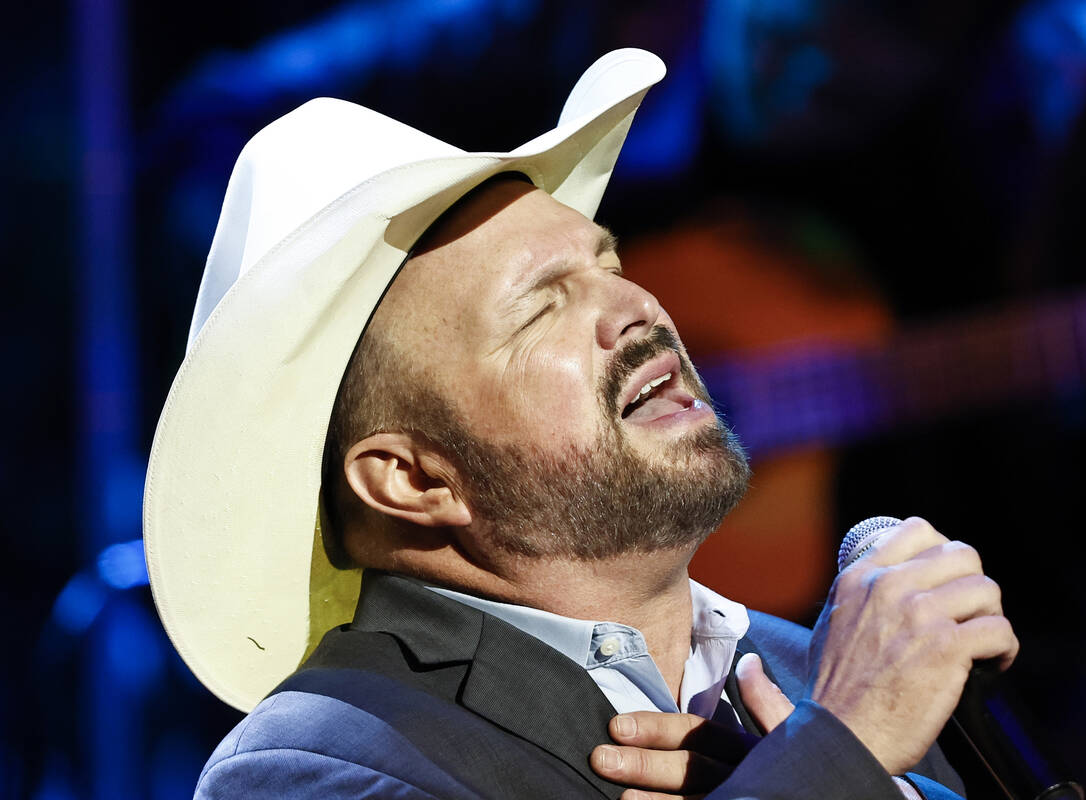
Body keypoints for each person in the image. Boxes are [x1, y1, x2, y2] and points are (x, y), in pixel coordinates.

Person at [144, 49, 1017, 799]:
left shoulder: (828, 669)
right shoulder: (317, 761)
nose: (637, 307)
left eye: (609, 262)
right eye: (539, 309)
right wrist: (841, 754)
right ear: (414, 479)